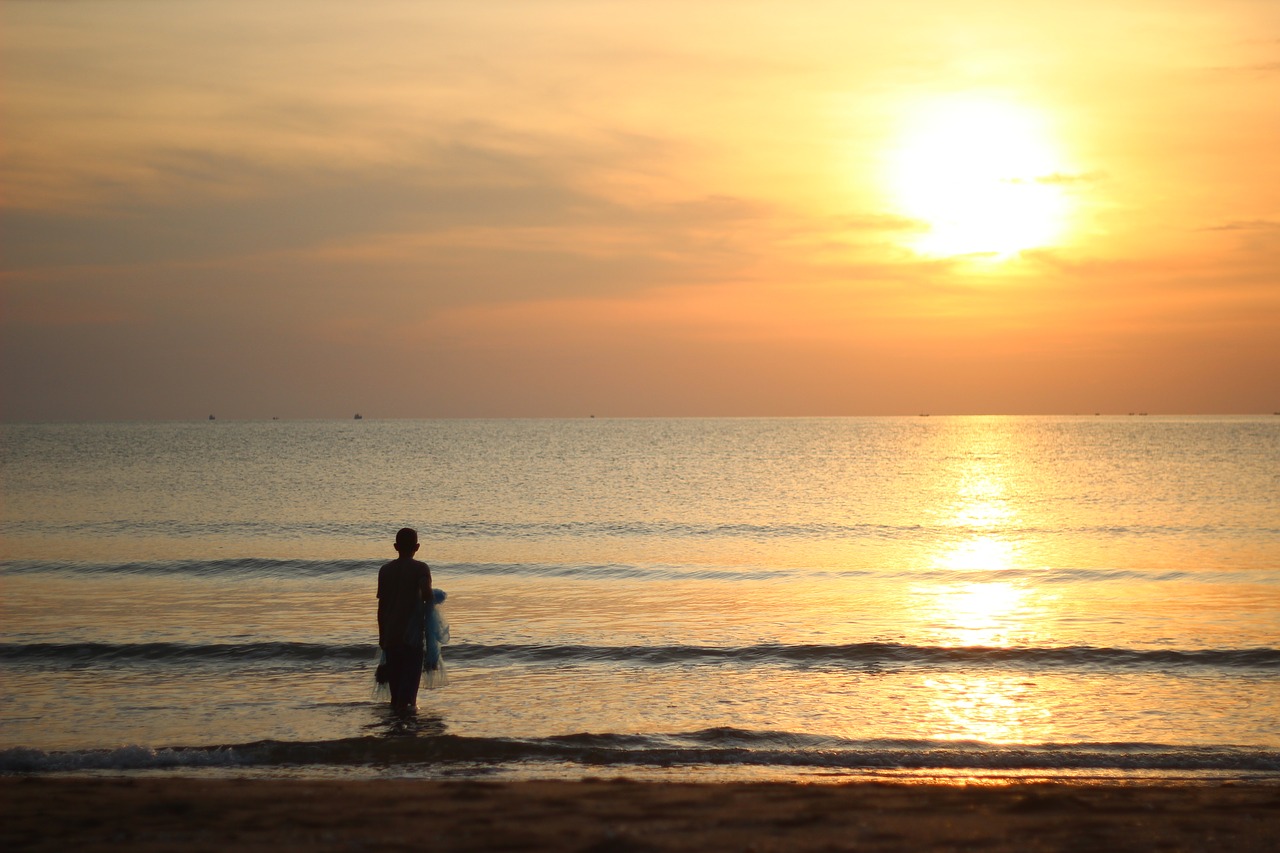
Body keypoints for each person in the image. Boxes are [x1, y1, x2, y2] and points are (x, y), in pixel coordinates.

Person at [377, 527, 433, 712]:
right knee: (409, 693)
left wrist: (382, 636)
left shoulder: (385, 570)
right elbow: (426, 593)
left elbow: (382, 607)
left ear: (395, 546)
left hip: (391, 635)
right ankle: (407, 734)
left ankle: (395, 733)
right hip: (412, 637)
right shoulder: (421, 568)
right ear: (417, 547)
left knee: (395, 691)